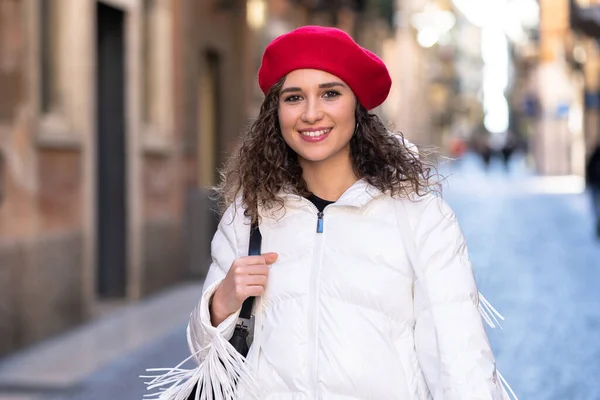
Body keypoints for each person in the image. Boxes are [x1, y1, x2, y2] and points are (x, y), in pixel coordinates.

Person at [145, 26, 515, 399]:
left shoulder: (419, 216)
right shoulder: (249, 215)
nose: (311, 113)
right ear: (278, 113)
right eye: (294, 98)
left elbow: (461, 359)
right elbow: (206, 357)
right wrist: (220, 303)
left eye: (330, 94)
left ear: (356, 106)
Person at [586, 143, 600, 238]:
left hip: (595, 185)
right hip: (596, 185)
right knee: (597, 209)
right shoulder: (597, 154)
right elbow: (590, 168)